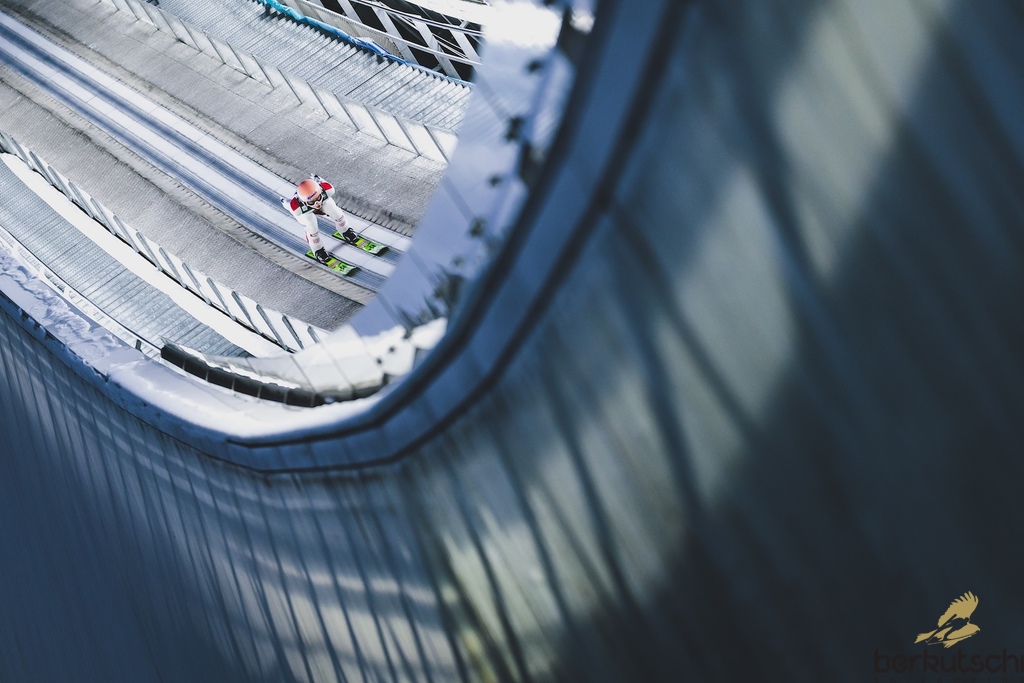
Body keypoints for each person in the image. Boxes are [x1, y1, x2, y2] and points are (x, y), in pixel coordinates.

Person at [285, 175, 358, 264]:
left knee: (333, 209)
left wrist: (317, 178)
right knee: (311, 223)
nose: (317, 203)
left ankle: (346, 230)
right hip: (306, 212)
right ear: (303, 202)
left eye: (318, 198)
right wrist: (285, 202)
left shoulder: (328, 189)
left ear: (321, 191)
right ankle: (317, 249)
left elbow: (320, 181)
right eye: (312, 202)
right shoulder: (296, 208)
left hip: (316, 205)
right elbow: (288, 205)